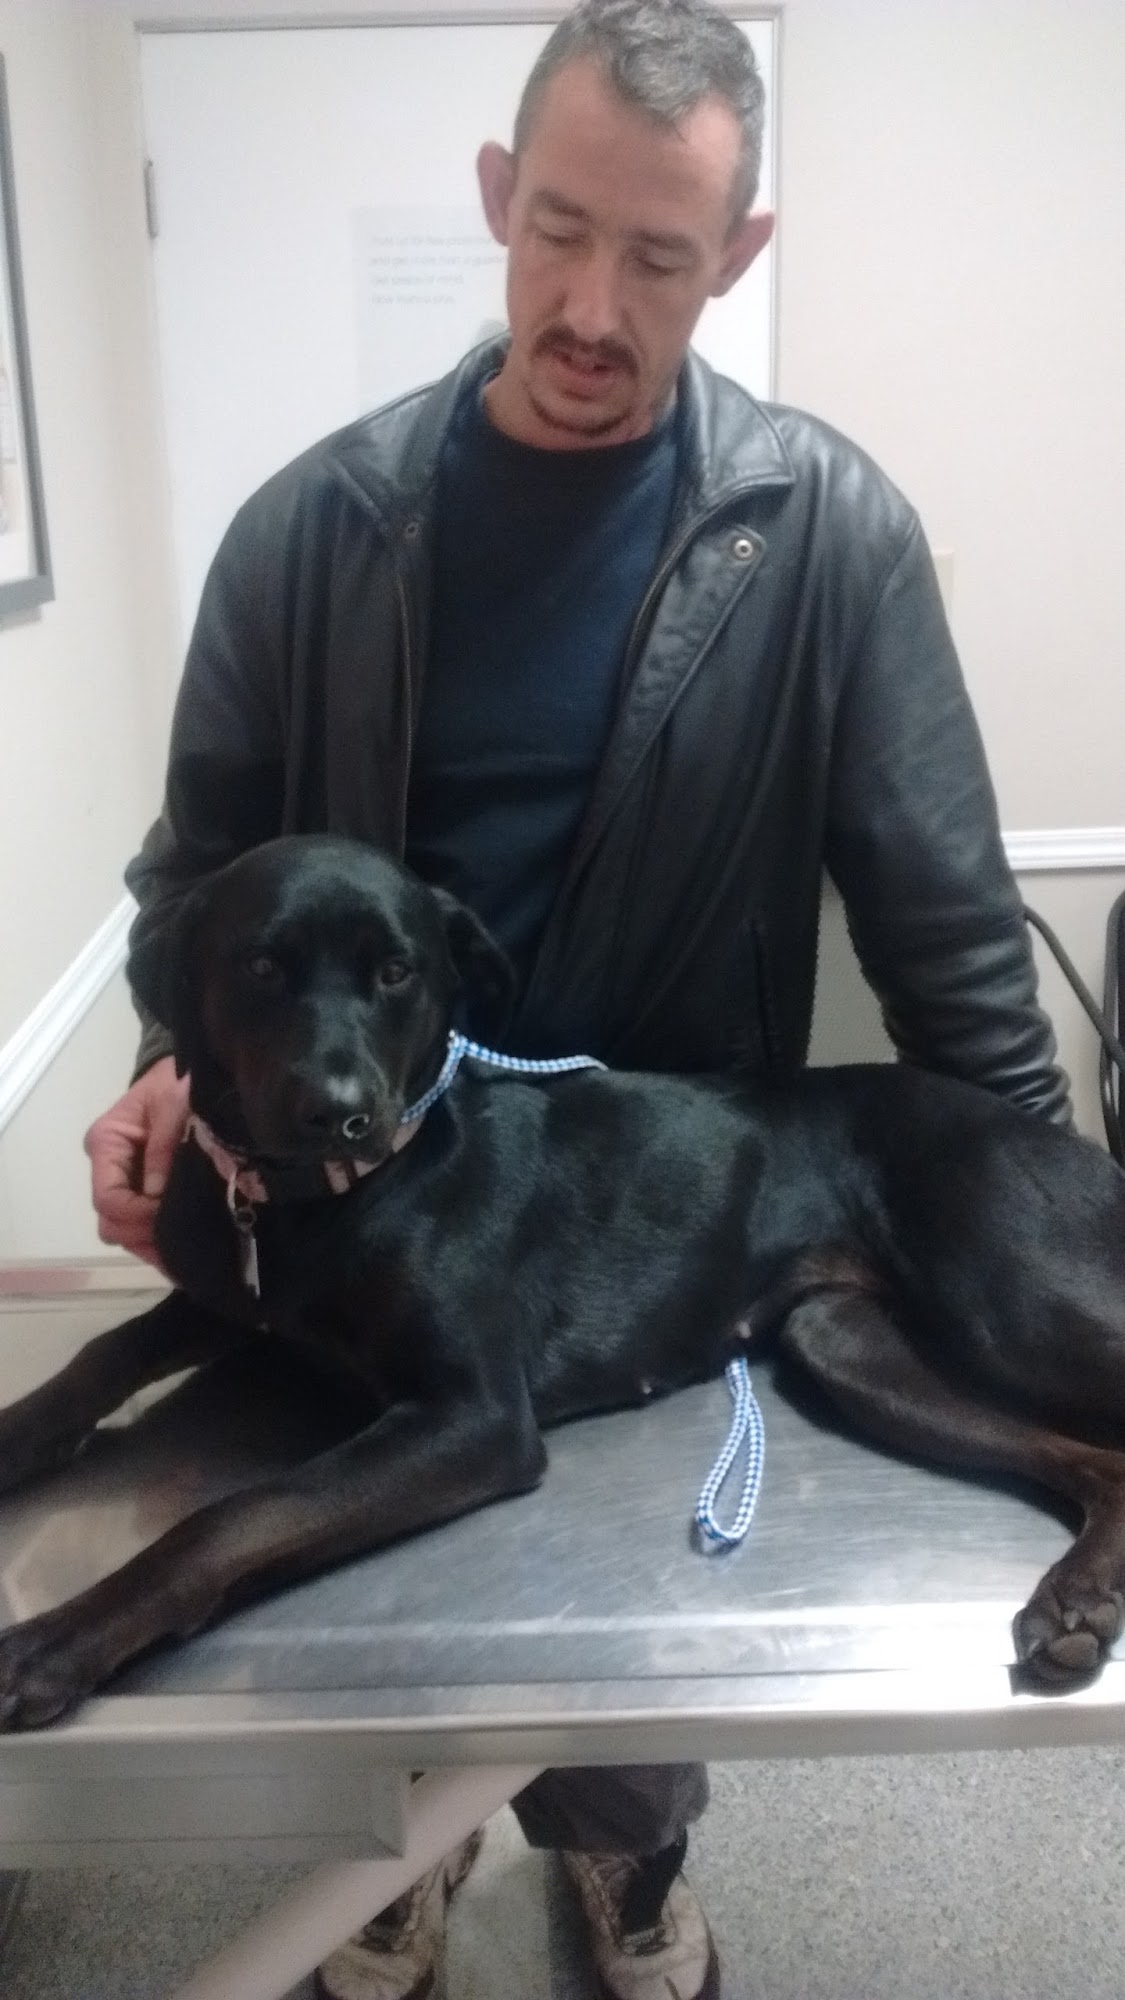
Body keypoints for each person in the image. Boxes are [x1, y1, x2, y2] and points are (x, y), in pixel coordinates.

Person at [85, 1, 1071, 1995]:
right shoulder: (308, 529)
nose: (592, 305)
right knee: (352, 1589)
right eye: (556, 230)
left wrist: (1034, 1259)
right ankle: (397, 1860)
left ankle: (624, 1865)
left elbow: (951, 941)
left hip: (651, 1202)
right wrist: (168, 1072)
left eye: (659, 257)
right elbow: (191, 884)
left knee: (623, 1681)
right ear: (495, 195)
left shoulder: (828, 538)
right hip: (363, 1191)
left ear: (739, 255)